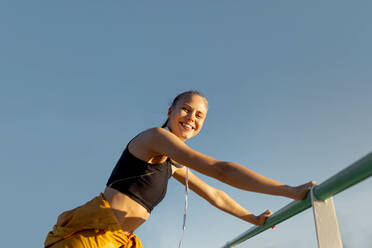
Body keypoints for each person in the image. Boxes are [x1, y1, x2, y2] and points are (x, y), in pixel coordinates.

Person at [44, 90, 315, 248]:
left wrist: (252, 218)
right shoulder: (155, 139)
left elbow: (215, 194)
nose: (191, 118)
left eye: (199, 116)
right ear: (170, 111)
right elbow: (221, 170)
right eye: (186, 109)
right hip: (93, 239)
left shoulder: (173, 163)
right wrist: (289, 191)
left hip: (117, 241)